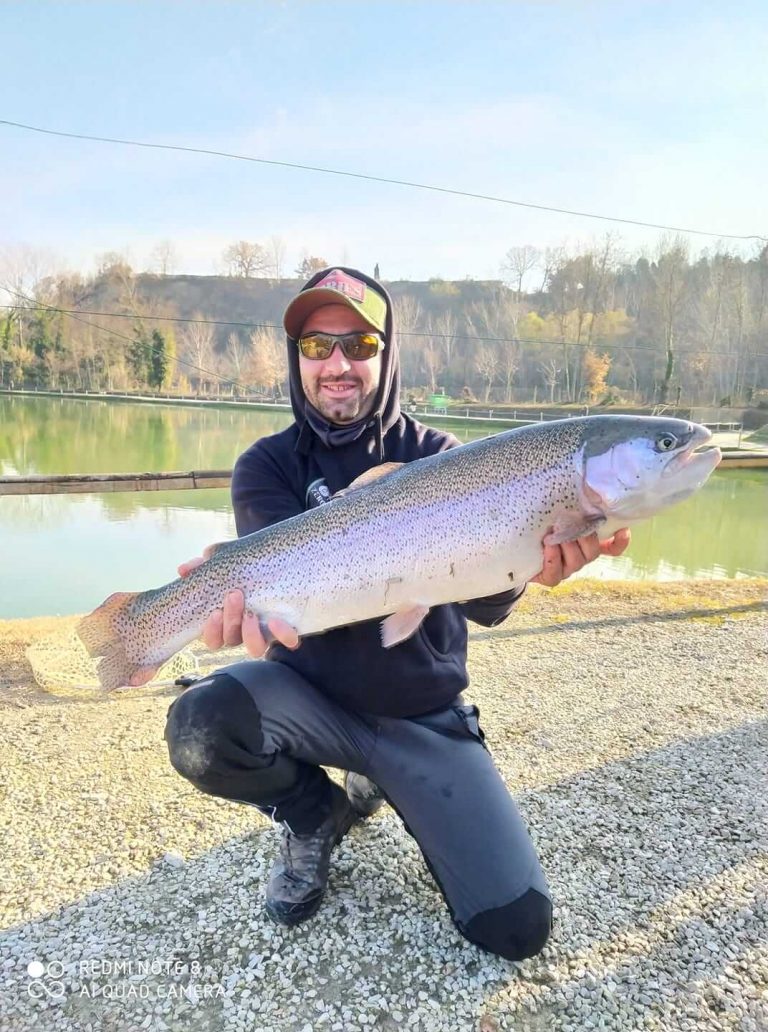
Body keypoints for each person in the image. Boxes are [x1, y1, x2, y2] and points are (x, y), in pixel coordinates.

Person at [163, 267, 630, 961]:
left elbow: (489, 605)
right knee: (200, 728)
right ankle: (313, 815)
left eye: (359, 342)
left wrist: (524, 569)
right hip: (308, 702)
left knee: (515, 928)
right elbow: (277, 605)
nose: (339, 363)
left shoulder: (445, 457)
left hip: (422, 717)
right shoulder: (265, 466)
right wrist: (239, 611)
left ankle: (383, 778)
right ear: (297, 360)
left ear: (387, 354)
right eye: (317, 347)